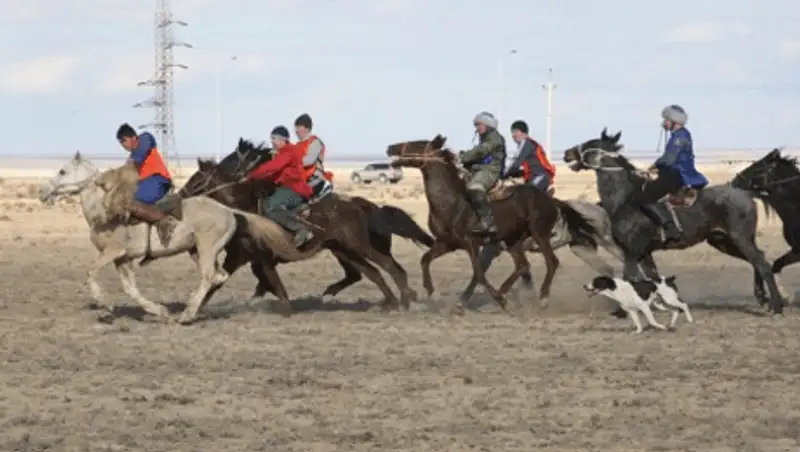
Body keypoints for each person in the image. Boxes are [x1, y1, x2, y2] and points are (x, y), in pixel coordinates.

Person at [637, 105, 708, 243]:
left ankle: (670, 228)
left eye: (666, 119)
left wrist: (654, 166)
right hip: (675, 173)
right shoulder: (679, 136)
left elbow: (669, 159)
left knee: (644, 198)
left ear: (674, 121)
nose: (664, 123)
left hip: (678, 175)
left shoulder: (679, 138)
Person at [243, 125, 315, 247]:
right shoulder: (281, 153)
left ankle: (301, 229)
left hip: (295, 189)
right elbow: (273, 173)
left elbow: (272, 167)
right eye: (271, 139)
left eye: (274, 139)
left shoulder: (288, 152)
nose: (272, 142)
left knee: (270, 206)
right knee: (265, 203)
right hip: (286, 188)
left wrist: (251, 175)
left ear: (283, 140)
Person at [115, 123, 175, 261]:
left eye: (123, 141)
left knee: (129, 201)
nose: (123, 145)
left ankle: (163, 221)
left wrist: (130, 162)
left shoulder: (144, 139)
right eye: (120, 143)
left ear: (132, 137)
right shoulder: (133, 155)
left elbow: (140, 153)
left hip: (157, 180)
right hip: (145, 183)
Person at [458, 111, 507, 236]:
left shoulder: (494, 138)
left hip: (490, 170)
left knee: (474, 187)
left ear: (487, 125)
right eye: (476, 125)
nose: (477, 128)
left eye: (479, 125)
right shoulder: (485, 138)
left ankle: (487, 221)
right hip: (481, 168)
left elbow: (480, 152)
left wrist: (462, 157)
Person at [503, 120, 556, 192]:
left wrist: (502, 175)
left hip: (539, 177)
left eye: (516, 131)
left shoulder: (526, 143)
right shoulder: (528, 144)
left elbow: (515, 163)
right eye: (512, 132)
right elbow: (525, 168)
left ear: (524, 133)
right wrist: (512, 174)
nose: (513, 135)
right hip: (535, 177)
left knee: (526, 194)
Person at [293, 113, 334, 198]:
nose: (296, 131)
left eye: (298, 127)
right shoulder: (297, 145)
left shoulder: (315, 142)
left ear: (307, 128)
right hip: (301, 178)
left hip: (314, 178)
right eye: (295, 128)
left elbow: (308, 161)